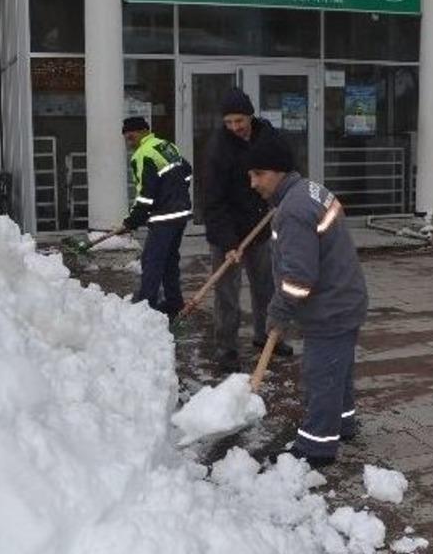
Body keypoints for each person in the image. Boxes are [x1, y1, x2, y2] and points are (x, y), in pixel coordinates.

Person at [246, 132, 368, 469]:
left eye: (259, 174)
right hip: (344, 297)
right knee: (338, 370)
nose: (253, 183)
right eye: (250, 175)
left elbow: (299, 279)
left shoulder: (294, 210)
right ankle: (343, 423)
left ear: (280, 171)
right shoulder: (308, 191)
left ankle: (316, 447)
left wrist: (278, 312)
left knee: (321, 375)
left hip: (330, 306)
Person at [204, 88, 294, 371]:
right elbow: (213, 201)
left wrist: (282, 199)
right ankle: (226, 348)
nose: (234, 127)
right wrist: (229, 242)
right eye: (229, 122)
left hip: (262, 225)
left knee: (266, 286)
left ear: (251, 116)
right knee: (227, 293)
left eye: (239, 120)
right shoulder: (218, 148)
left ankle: (267, 337)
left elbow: (287, 169)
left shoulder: (269, 137)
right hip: (227, 230)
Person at [117, 116, 192, 318]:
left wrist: (132, 221)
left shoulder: (143, 154)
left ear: (143, 132)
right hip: (180, 214)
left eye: (131, 138)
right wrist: (176, 192)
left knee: (152, 261)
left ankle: (146, 307)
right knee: (169, 260)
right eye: (127, 139)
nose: (129, 143)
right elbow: (187, 171)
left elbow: (146, 195)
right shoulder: (165, 146)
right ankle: (174, 302)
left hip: (164, 216)